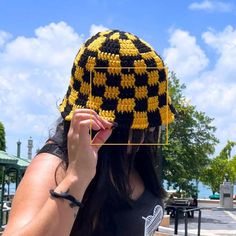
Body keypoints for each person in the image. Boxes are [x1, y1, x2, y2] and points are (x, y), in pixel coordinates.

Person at [3, 30, 175, 236]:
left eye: (153, 123)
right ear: (102, 124)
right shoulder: (55, 166)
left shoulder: (135, 157)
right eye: (142, 125)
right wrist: (76, 177)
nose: (150, 131)